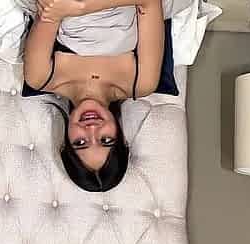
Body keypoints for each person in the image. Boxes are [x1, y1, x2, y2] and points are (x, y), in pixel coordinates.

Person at [22, 0, 169, 192]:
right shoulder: (142, 82)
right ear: (121, 137)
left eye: (80, 142)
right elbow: (149, 2)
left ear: (66, 142)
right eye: (105, 140)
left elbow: (50, 8)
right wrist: (82, 7)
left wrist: (72, 7)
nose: (91, 129)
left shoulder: (40, 77)